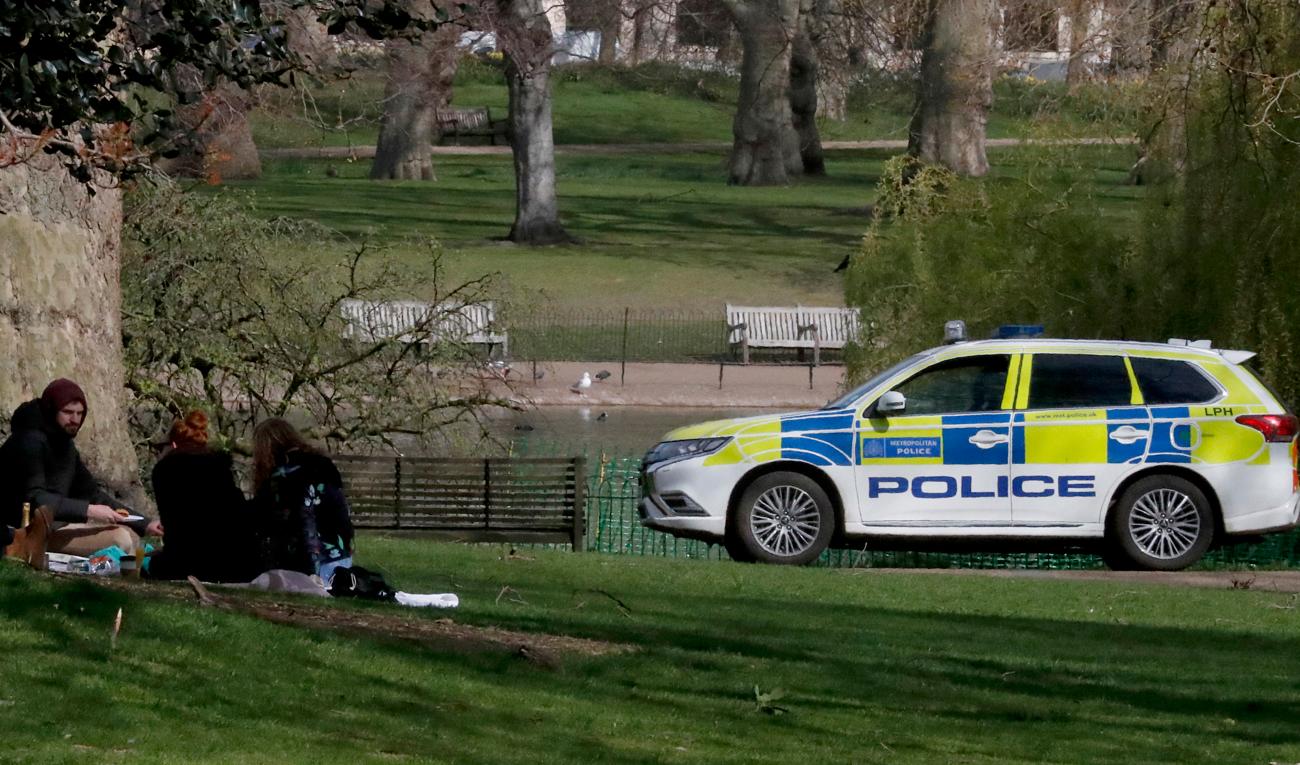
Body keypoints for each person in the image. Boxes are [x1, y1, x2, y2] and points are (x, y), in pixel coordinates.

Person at [0, 378, 161, 558]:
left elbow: (92, 494)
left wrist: (145, 523)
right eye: (68, 412)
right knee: (121, 538)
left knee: (130, 534)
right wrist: (88, 510)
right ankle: (130, 577)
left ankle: (133, 578)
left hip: (56, 526)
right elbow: (35, 498)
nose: (74, 420)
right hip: (23, 532)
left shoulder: (64, 444)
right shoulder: (28, 442)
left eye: (79, 413)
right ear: (51, 411)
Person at [145, 410, 260, 582]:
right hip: (233, 562)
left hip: (184, 564)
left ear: (174, 444)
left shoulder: (164, 471)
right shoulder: (219, 468)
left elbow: (177, 530)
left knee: (152, 563)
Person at [250, 418, 354, 583]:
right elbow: (341, 511)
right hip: (339, 554)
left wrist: (310, 567)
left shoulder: (283, 476)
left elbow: (303, 520)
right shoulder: (324, 464)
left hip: (308, 562)